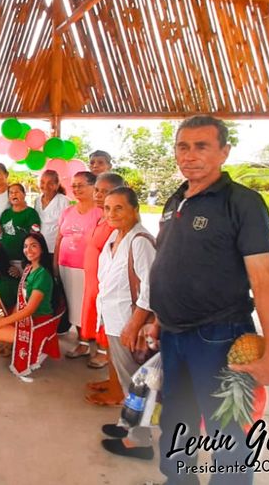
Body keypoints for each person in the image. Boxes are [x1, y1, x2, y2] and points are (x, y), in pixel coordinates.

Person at [147, 116, 269, 481]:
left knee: (228, 431)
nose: (189, 155)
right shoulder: (177, 199)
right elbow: (171, 262)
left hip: (219, 334)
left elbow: (264, 281)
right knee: (177, 420)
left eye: (201, 146)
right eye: (182, 147)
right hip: (174, 334)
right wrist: (159, 318)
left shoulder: (242, 203)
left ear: (224, 152)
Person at [95, 186, 156, 460]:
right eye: (108, 208)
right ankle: (127, 424)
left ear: (135, 209)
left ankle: (139, 441)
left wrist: (133, 325)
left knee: (137, 383)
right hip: (112, 319)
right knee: (126, 380)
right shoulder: (114, 236)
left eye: (119, 208)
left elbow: (150, 289)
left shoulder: (140, 241)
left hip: (128, 323)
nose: (112, 213)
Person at [0, 232, 57, 383]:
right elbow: (20, 301)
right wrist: (9, 321)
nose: (28, 250)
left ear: (42, 249)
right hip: (21, 318)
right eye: (25, 246)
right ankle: (7, 343)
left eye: (33, 246)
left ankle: (9, 343)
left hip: (34, 323)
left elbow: (29, 310)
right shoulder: (29, 269)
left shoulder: (43, 275)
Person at [82, 173, 127, 403]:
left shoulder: (119, 225)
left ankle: (118, 391)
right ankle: (112, 381)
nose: (99, 195)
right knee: (106, 335)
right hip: (95, 286)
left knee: (112, 340)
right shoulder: (102, 218)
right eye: (97, 190)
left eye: (105, 191)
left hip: (109, 290)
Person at [56, 171, 102, 360]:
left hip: (89, 269)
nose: (76, 189)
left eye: (80, 185)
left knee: (91, 307)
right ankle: (82, 342)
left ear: (93, 187)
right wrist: (55, 264)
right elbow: (59, 238)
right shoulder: (68, 211)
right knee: (74, 306)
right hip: (66, 266)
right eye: (73, 185)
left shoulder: (101, 212)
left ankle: (101, 348)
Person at [0, 183, 40, 269]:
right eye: (11, 193)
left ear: (24, 194)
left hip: (23, 259)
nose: (14, 195)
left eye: (17, 192)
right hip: (5, 258)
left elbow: (35, 236)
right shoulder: (6, 213)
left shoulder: (31, 213)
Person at [34, 169, 70, 254]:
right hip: (39, 247)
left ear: (57, 185)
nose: (45, 186)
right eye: (42, 182)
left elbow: (66, 226)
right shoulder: (37, 200)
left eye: (50, 183)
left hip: (56, 248)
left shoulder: (64, 201)